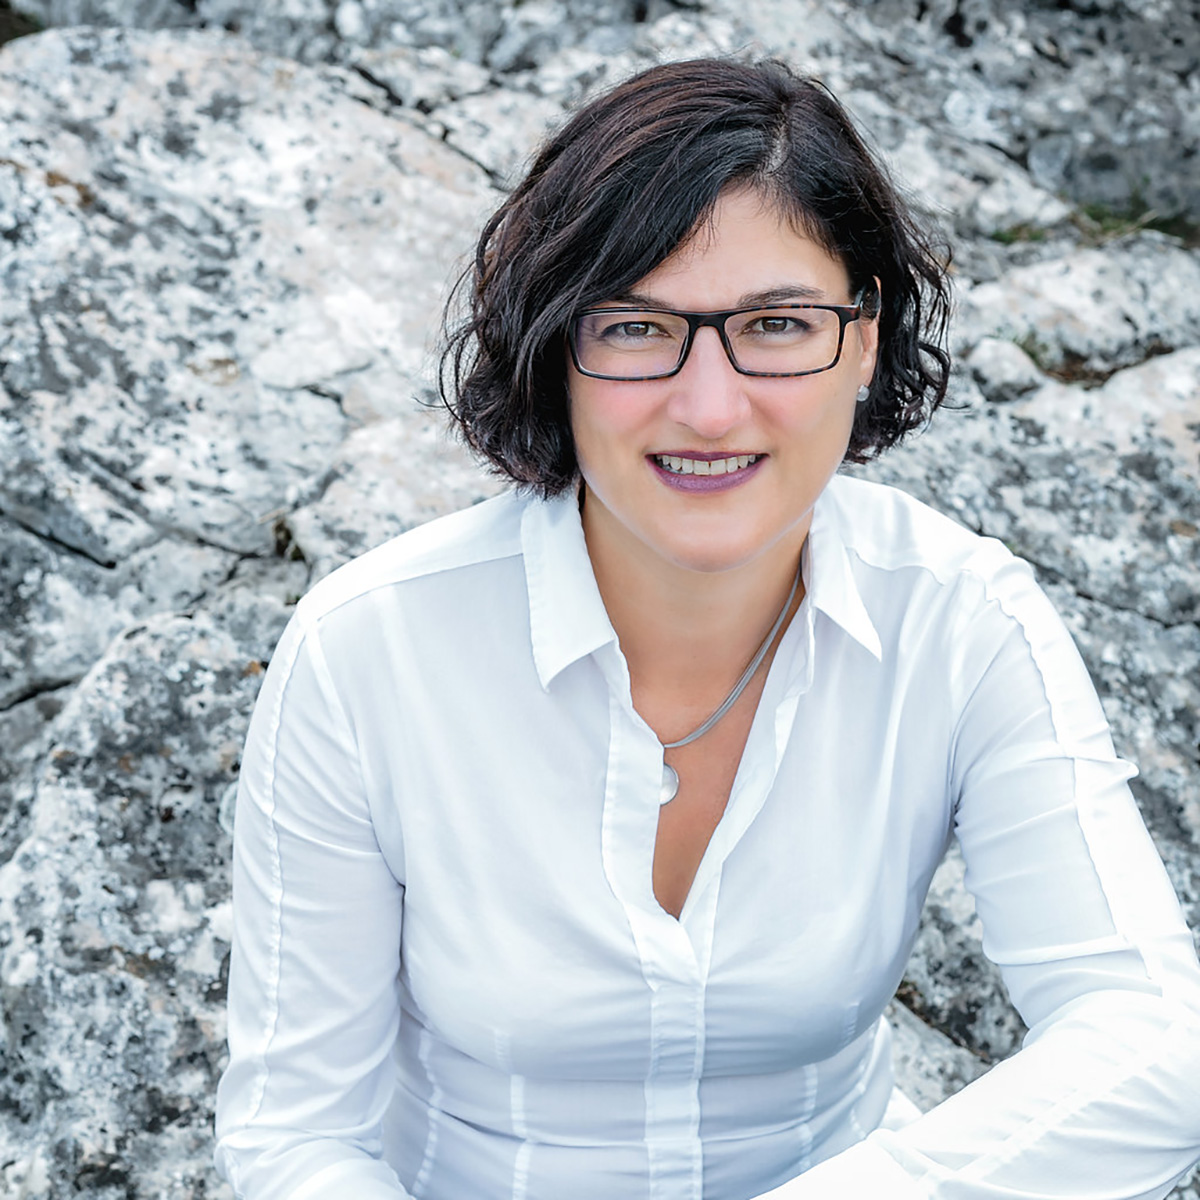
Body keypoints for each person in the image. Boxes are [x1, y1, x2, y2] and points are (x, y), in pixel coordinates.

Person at [213, 57, 1200, 1200]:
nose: (711, 405)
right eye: (636, 326)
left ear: (867, 338)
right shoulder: (367, 653)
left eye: (778, 324)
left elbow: (1157, 1039)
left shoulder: (962, 618)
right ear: (556, 348)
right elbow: (295, 1141)